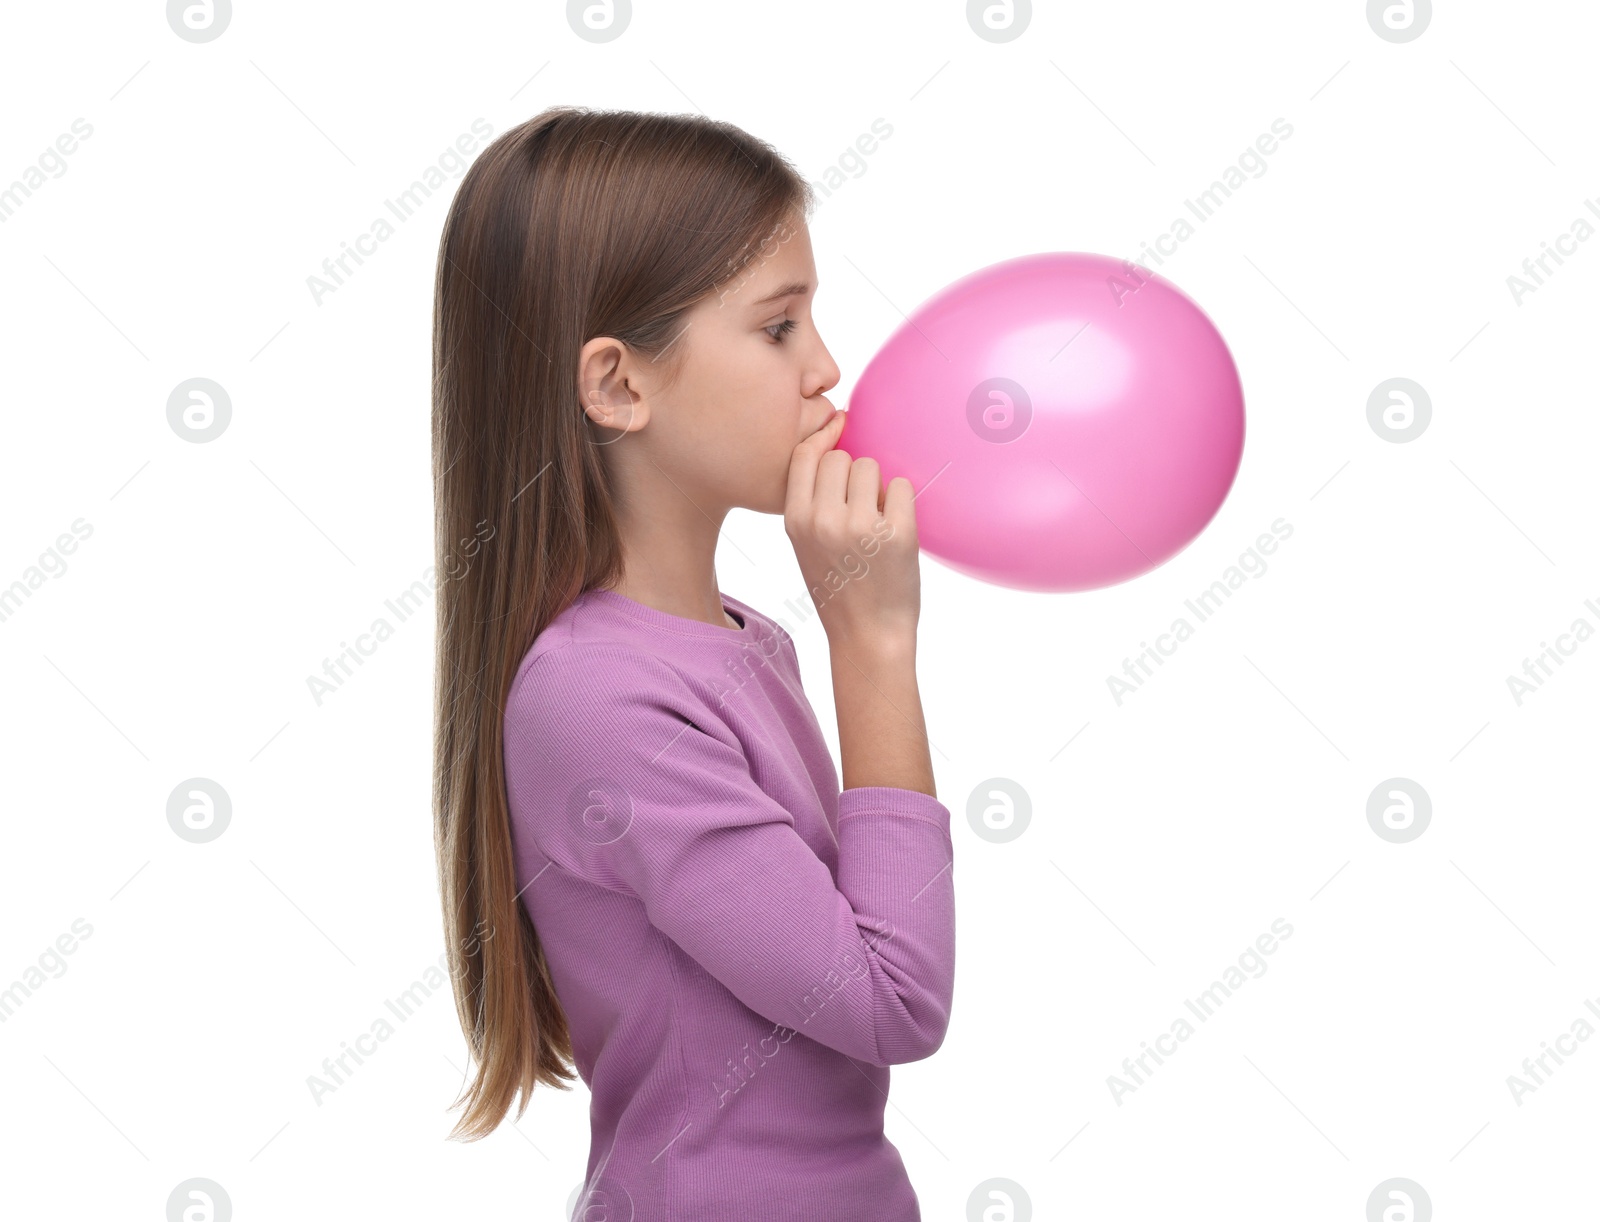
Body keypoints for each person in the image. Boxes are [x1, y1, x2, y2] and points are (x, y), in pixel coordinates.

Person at [430, 105, 956, 1221]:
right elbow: (892, 999)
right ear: (618, 385)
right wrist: (872, 642)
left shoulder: (739, 638)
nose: (826, 367)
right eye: (777, 328)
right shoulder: (598, 698)